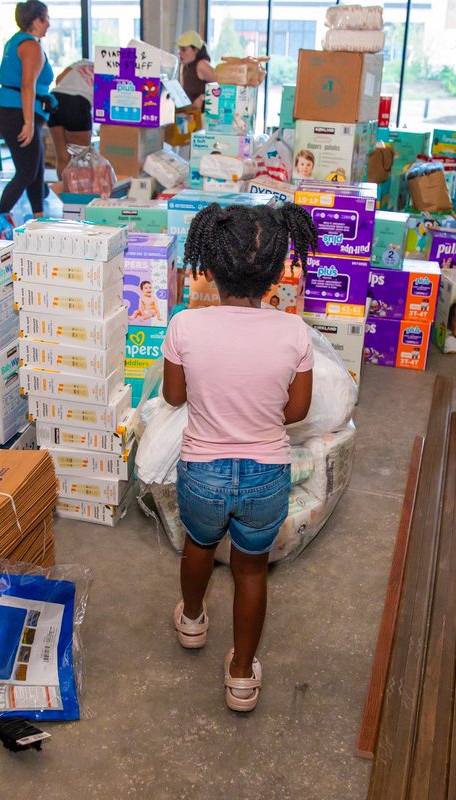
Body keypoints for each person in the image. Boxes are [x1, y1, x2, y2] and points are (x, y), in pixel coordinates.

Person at [162, 203, 317, 713]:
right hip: (266, 475)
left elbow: (173, 397)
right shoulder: (294, 332)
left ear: (208, 264)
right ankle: (241, 675)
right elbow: (296, 411)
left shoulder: (185, 325)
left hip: (202, 471)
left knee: (199, 546)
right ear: (277, 272)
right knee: (251, 572)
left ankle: (190, 619)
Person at [0, 1, 54, 219]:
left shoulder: (14, 41)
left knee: (36, 168)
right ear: (35, 20)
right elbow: (27, 84)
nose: (48, 24)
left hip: (10, 109)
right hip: (18, 112)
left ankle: (39, 216)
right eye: (45, 19)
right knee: (27, 171)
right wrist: (28, 122)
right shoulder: (31, 46)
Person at [48, 59, 93, 170]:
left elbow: (59, 79)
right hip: (78, 102)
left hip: (55, 99)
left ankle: (64, 187)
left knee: (62, 157)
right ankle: (81, 187)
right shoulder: (109, 72)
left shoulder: (82, 62)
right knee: (82, 157)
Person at [176, 31, 215, 109]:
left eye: (183, 50)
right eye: (179, 50)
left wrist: (202, 97)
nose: (180, 53)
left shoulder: (201, 65)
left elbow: (224, 87)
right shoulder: (185, 66)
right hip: (193, 115)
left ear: (196, 50)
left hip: (206, 116)